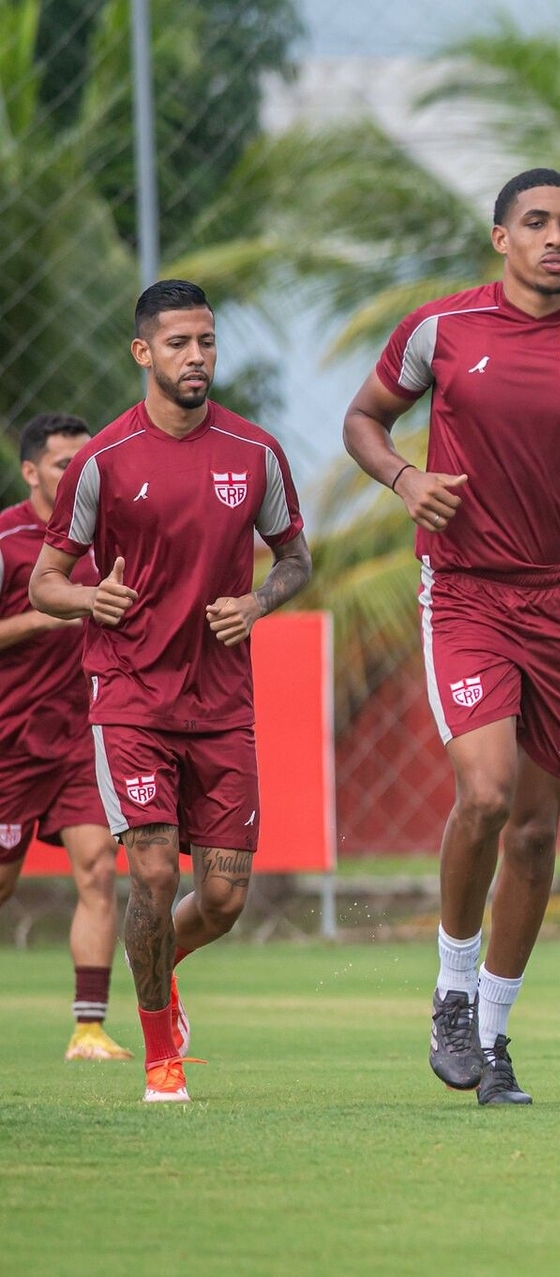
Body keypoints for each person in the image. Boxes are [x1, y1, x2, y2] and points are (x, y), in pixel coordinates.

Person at [343, 168, 560, 1106]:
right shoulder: (442, 330)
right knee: (485, 793)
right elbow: (363, 419)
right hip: (463, 592)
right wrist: (407, 481)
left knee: (534, 836)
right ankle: (451, 991)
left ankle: (493, 1040)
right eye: (536, 222)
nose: (557, 237)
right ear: (501, 238)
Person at [31, 280, 312, 1102]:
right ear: (143, 353)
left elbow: (296, 558)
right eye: (181, 344)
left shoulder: (255, 453)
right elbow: (49, 580)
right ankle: (162, 1062)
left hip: (221, 703)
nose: (198, 358)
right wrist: (91, 599)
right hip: (129, 697)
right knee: (152, 874)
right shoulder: (102, 462)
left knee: (222, 898)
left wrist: (258, 601)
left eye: (208, 342)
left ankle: (160, 963)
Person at [0, 413, 132, 1063]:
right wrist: (48, 613)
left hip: (84, 735)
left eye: (87, 462)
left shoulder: (108, 535)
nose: (78, 474)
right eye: (62, 464)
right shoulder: (6, 540)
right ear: (30, 471)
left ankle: (88, 1028)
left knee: (99, 870)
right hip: (10, 738)